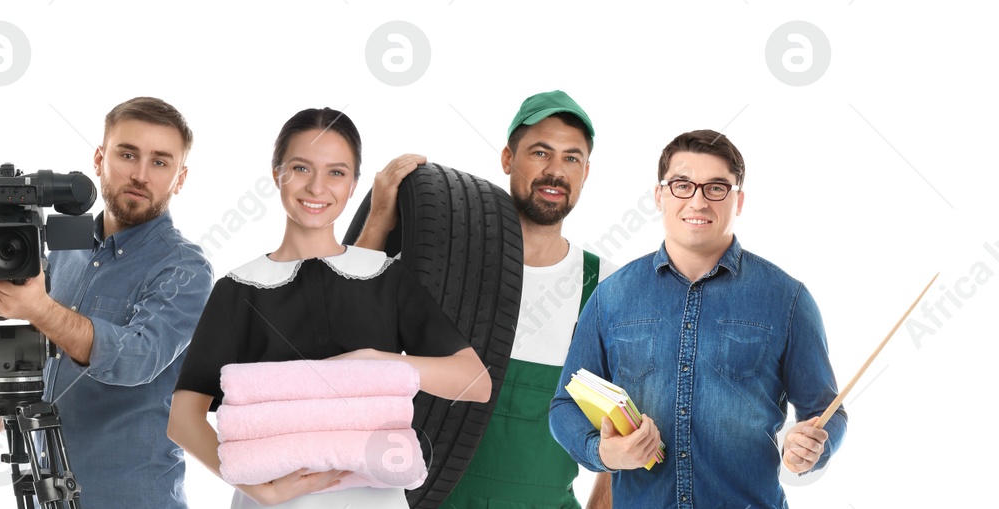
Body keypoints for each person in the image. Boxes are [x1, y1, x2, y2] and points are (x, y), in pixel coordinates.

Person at [169, 107, 492, 509]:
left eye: (336, 172)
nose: (317, 187)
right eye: (301, 168)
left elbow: (475, 382)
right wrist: (262, 491)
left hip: (376, 500)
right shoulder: (239, 289)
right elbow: (183, 417)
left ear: (355, 183)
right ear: (277, 174)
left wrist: (375, 361)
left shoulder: (386, 277)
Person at [548, 129, 847, 507]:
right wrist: (602, 453)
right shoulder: (612, 296)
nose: (699, 201)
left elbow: (826, 411)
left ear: (738, 201)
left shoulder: (788, 299)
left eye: (717, 188)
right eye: (682, 185)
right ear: (659, 195)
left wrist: (813, 447)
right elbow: (564, 405)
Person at [356, 90, 618, 508]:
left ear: (586, 173)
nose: (556, 171)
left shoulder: (605, 285)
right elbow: (343, 330)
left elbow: (622, 423)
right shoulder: (444, 263)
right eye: (540, 152)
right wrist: (378, 221)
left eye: (572, 158)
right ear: (507, 160)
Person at [0, 96, 215, 508]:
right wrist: (0, 415)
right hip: (50, 494)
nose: (139, 174)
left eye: (160, 161)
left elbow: (137, 357)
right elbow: (38, 345)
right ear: (99, 159)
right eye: (127, 154)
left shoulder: (185, 268)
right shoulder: (58, 247)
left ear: (180, 177)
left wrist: (40, 308)